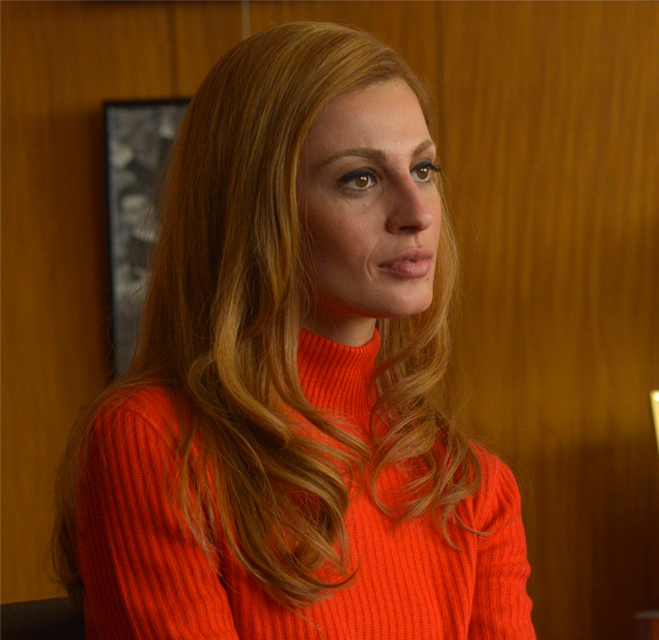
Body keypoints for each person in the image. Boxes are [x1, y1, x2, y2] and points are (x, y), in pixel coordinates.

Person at [54, 22, 535, 638]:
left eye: (423, 169)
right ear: (256, 208)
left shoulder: (471, 486)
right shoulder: (155, 442)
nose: (417, 214)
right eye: (359, 178)